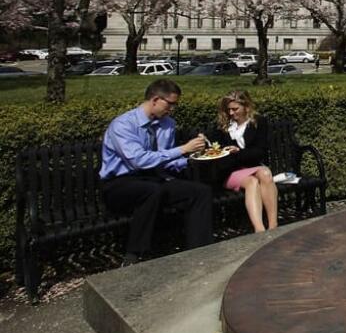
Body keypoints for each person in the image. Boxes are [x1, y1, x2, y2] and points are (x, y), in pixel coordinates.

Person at [99, 79, 213, 265]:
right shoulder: (123, 125)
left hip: (153, 179)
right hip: (119, 184)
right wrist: (182, 149)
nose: (172, 109)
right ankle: (134, 255)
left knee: (200, 192)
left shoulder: (167, 124)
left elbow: (164, 160)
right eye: (170, 104)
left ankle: (200, 251)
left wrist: (193, 158)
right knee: (152, 190)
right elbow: (138, 161)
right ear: (155, 100)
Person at [206, 90, 277, 233]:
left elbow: (260, 152)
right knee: (252, 181)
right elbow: (219, 155)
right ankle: (259, 229)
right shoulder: (222, 127)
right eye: (229, 110)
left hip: (251, 166)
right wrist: (233, 153)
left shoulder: (258, 122)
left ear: (246, 107)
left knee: (265, 174)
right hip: (229, 171)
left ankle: (273, 225)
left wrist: (238, 152)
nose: (231, 113)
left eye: (235, 109)